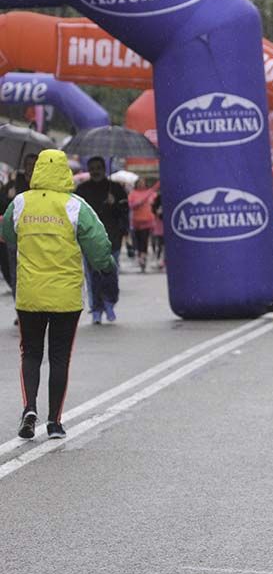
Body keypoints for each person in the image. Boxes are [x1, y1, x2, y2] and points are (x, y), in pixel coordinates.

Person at [2, 149, 114, 440]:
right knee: (60, 356)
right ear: (65, 171)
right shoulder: (76, 206)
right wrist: (106, 267)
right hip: (65, 297)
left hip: (30, 294)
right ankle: (54, 422)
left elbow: (8, 233)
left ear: (37, 170)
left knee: (31, 353)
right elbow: (99, 244)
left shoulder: (20, 202)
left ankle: (29, 408)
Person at [75, 157, 128, 323]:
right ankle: (96, 309)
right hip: (90, 241)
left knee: (110, 273)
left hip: (112, 239)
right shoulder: (82, 190)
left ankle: (110, 302)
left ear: (104, 168)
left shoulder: (116, 188)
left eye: (98, 167)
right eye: (92, 168)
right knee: (93, 276)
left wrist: (116, 205)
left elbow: (125, 212)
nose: (95, 171)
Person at [0, 153, 37, 295]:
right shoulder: (15, 182)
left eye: (34, 164)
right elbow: (3, 207)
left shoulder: (41, 183)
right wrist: (7, 195)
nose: (31, 168)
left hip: (33, 234)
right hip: (15, 233)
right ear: (24, 166)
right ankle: (19, 308)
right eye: (29, 164)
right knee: (14, 273)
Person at [128, 179, 157, 273]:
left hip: (147, 221)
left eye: (143, 183)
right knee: (138, 241)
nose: (141, 185)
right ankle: (140, 256)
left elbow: (154, 200)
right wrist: (138, 203)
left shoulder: (149, 193)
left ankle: (143, 257)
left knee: (144, 240)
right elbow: (131, 205)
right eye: (140, 183)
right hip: (136, 222)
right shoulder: (133, 193)